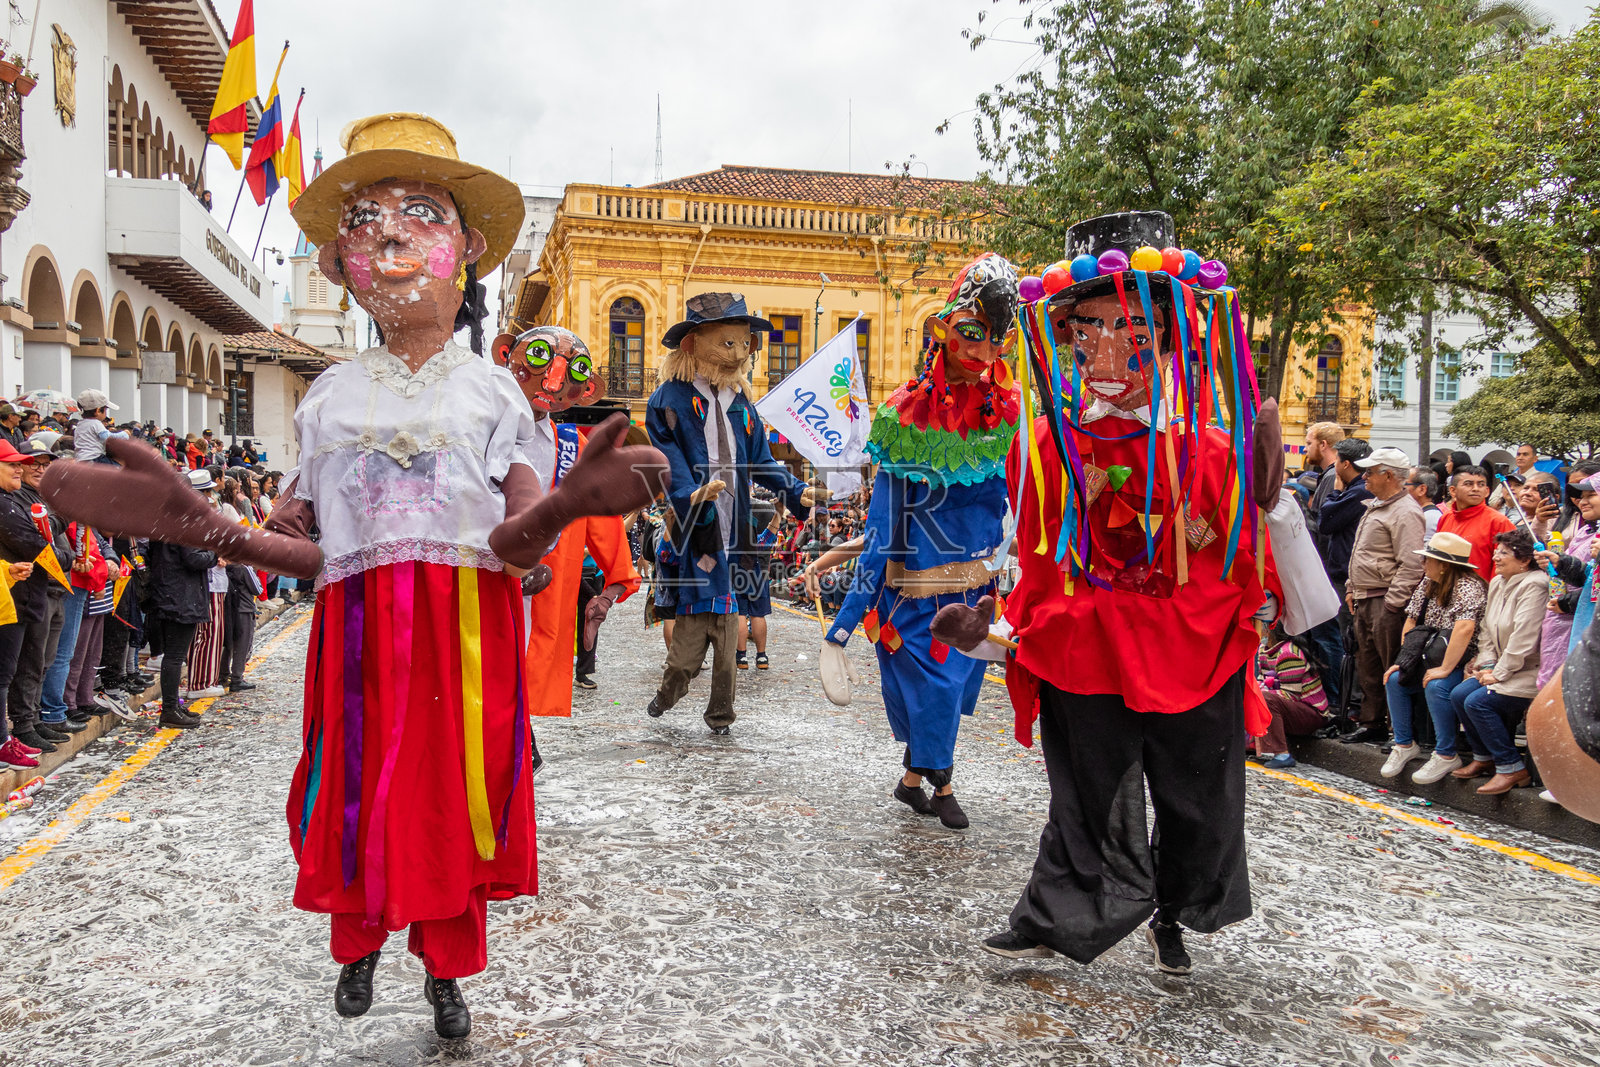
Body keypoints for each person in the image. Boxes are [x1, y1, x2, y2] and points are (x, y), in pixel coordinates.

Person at [40, 112, 668, 1039]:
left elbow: (515, 541)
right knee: (357, 783)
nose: (393, 233)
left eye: (423, 214)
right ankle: (361, 940)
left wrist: (566, 507)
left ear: (469, 251)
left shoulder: (494, 393)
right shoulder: (330, 396)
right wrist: (207, 526)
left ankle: (447, 968)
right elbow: (301, 537)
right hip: (358, 631)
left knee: (456, 796)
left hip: (465, 632)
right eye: (368, 219)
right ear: (341, 263)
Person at [933, 212, 1280, 975]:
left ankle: (1174, 911)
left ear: (1169, 342)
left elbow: (1236, 549)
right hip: (1088, 640)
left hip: (1187, 643)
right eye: (1089, 332)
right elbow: (1038, 550)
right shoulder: (1049, 446)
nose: (1109, 353)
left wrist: (1209, 533)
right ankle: (1051, 914)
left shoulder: (1209, 450)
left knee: (1195, 793)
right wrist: (1007, 620)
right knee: (1085, 787)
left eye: (1132, 333)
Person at [823, 252, 1021, 830]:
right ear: (942, 329)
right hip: (913, 606)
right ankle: (942, 786)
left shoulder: (1005, 415)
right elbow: (881, 533)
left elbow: (1016, 507)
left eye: (998, 339)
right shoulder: (904, 417)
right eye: (972, 332)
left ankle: (912, 782)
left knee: (953, 695)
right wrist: (841, 628)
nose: (985, 352)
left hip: (978, 598)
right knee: (936, 693)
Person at [646, 291, 819, 734]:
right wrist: (690, 494)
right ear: (692, 344)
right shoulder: (670, 398)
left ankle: (720, 716)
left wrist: (796, 490)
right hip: (697, 527)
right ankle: (669, 690)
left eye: (745, 344)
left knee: (726, 649)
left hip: (735, 528)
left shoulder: (741, 403)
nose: (739, 354)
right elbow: (666, 455)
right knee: (685, 656)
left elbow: (761, 459)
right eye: (728, 343)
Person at [488, 324, 640, 708]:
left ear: (586, 390)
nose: (553, 381)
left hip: (541, 595)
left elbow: (602, 518)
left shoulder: (573, 447)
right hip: (480, 582)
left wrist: (612, 589)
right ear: (506, 356)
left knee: (518, 692)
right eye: (540, 357)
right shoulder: (475, 427)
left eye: (573, 371)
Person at [1379, 531, 1487, 783]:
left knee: (1438, 685)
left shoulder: (1469, 587)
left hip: (1463, 660)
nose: (1423, 563)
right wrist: (1404, 661)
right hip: (1429, 653)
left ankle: (1446, 754)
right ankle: (1404, 744)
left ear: (1444, 565)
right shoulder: (1428, 583)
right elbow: (1411, 620)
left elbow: (1465, 628)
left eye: (1428, 559)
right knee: (1395, 679)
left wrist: (1446, 668)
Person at [1448, 528, 1547, 794]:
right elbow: (1487, 631)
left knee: (1478, 702)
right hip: (1501, 668)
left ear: (1524, 559)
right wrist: (1488, 665)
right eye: (1496, 551)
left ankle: (1511, 766)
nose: (1496, 557)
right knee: (1459, 694)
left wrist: (1499, 673)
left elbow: (1524, 637)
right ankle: (1484, 757)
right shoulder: (1498, 582)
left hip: (1529, 670)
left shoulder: (1535, 584)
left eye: (1504, 553)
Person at [1341, 448, 1425, 744]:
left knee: (1391, 665)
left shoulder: (1405, 511)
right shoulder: (1379, 506)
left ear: (1388, 475)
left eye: (1370, 472)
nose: (1364, 476)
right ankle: (1373, 722)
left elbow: (1412, 563)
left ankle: (1397, 728)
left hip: (1384, 598)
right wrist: (1352, 587)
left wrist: (1393, 602)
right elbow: (1362, 554)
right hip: (1367, 596)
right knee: (1368, 664)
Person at [0, 439, 44, 767]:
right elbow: (34, 543)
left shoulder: (9, 500)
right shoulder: (5, 504)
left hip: (9, 598)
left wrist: (7, 570)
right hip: (11, 603)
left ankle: (4, 739)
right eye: (12, 464)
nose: (19, 469)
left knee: (6, 674)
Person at [1254, 633, 1329, 769]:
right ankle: (1252, 745)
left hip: (1312, 713)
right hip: (1290, 707)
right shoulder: (1263, 650)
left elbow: (1291, 694)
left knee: (1265, 698)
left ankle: (1282, 755)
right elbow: (1260, 680)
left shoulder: (1288, 652)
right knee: (1252, 695)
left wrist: (1259, 694)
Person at [1438, 465, 1515, 582]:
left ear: (1487, 491)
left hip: (1481, 590)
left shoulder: (1499, 522)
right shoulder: (1446, 518)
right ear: (1453, 491)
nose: (1475, 489)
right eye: (1468, 484)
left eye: (1481, 484)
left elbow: (1506, 567)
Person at [735, 499, 781, 670]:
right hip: (758, 571)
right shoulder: (765, 508)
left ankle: (741, 656)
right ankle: (761, 656)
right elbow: (768, 537)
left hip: (736, 571)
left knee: (740, 613)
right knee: (758, 614)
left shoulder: (732, 511)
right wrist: (779, 513)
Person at [1302, 422, 1345, 538]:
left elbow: (1323, 523)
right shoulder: (1332, 474)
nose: (1305, 449)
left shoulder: (1332, 476)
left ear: (1323, 445)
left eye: (1309, 443)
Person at [73, 390, 126, 463]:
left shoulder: (80, 424)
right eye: (105, 409)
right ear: (98, 411)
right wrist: (124, 434)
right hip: (95, 458)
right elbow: (107, 437)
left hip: (80, 458)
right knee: (117, 468)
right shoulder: (96, 423)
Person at [1406, 468, 1442, 539]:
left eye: (1405, 484)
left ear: (1422, 489)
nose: (1400, 489)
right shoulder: (1421, 514)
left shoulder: (1428, 518)